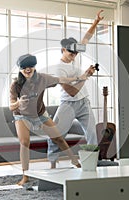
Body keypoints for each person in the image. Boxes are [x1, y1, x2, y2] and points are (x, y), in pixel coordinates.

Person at [9, 54, 91, 185]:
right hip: (21, 115)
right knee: (24, 142)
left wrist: (79, 78)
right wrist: (18, 103)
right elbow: (10, 105)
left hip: (40, 114)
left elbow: (61, 79)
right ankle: (25, 176)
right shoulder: (16, 85)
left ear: (34, 67)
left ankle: (76, 163)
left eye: (30, 66)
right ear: (20, 69)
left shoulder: (42, 79)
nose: (27, 70)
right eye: (24, 67)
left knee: (58, 138)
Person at [47, 10, 104, 168]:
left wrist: (96, 21)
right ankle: (52, 164)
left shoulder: (75, 55)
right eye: (70, 52)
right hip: (68, 104)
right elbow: (71, 92)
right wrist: (85, 75)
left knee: (92, 134)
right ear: (63, 50)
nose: (74, 55)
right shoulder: (58, 69)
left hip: (84, 103)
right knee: (56, 134)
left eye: (75, 52)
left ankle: (92, 163)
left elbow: (86, 38)